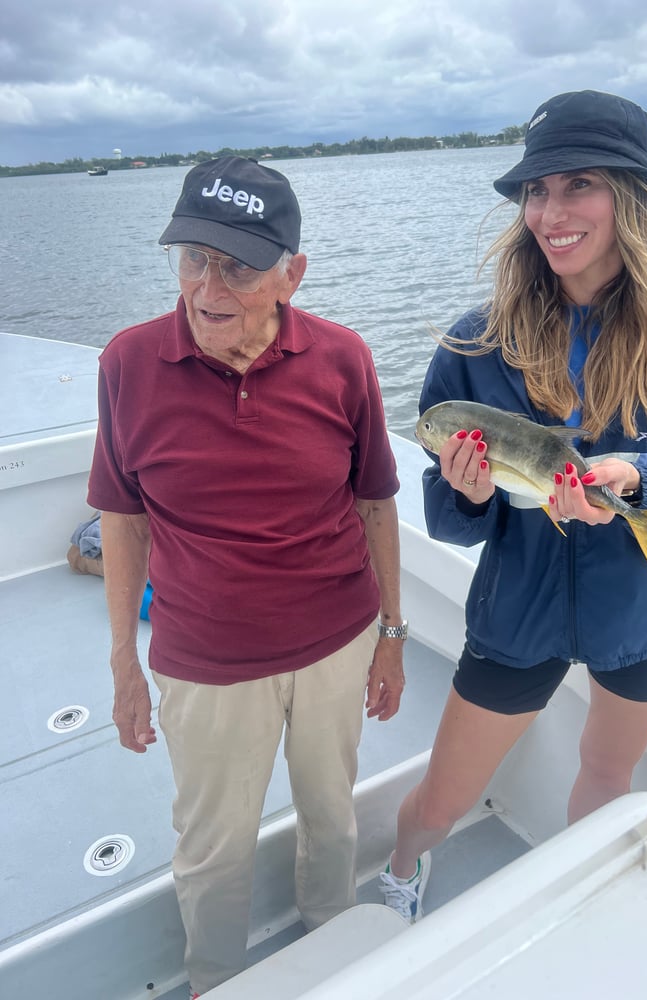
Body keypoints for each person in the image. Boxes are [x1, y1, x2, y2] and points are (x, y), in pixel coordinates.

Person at [379, 89, 647, 922]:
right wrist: (471, 493)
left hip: (645, 615)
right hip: (517, 618)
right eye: (535, 190)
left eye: (576, 183)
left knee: (607, 778)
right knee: (442, 798)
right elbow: (445, 519)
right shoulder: (473, 343)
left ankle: (585, 909)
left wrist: (638, 485)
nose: (550, 211)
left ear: (633, 195)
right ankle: (402, 870)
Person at [87, 155, 408, 996]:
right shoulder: (127, 363)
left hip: (338, 643)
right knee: (212, 846)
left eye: (237, 263)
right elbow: (121, 520)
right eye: (192, 256)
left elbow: (377, 504)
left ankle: (330, 951)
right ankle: (213, 979)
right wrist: (124, 659)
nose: (205, 286)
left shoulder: (344, 361)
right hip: (206, 661)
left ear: (292, 275)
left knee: (333, 818)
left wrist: (393, 638)